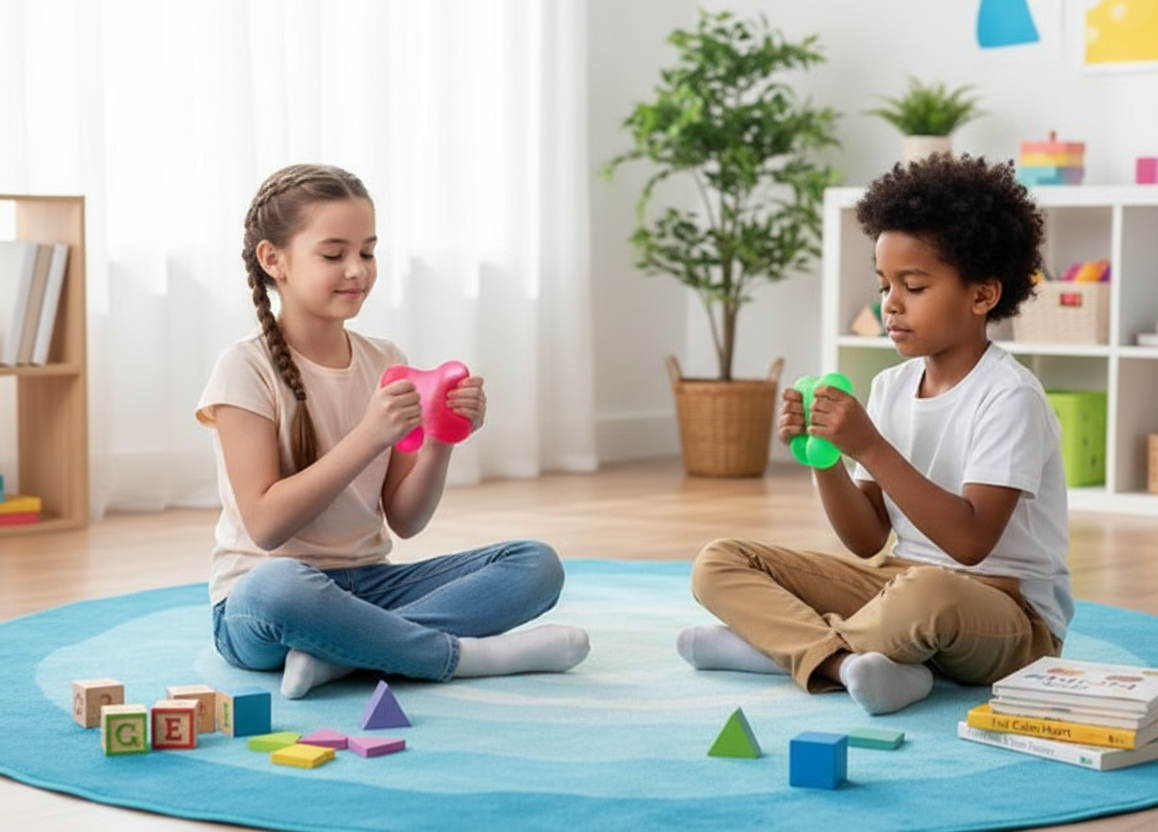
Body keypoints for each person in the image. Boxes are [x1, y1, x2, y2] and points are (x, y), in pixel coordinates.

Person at [676, 154, 1073, 715]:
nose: (890, 303)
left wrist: (867, 445)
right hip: (894, 584)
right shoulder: (891, 386)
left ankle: (779, 649)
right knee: (719, 560)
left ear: (982, 295)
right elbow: (866, 540)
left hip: (1004, 611)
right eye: (885, 284)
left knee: (928, 593)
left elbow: (970, 542)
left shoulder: (1010, 396)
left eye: (913, 285)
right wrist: (826, 456)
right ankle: (847, 664)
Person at [197, 164, 590, 699]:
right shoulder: (244, 367)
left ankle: (342, 654)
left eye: (367, 251)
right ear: (274, 260)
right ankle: (460, 656)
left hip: (371, 588)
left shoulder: (385, 359)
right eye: (334, 254)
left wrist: (440, 440)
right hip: (263, 603)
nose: (356, 269)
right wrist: (369, 435)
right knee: (278, 587)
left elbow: (406, 521)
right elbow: (265, 526)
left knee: (535, 565)